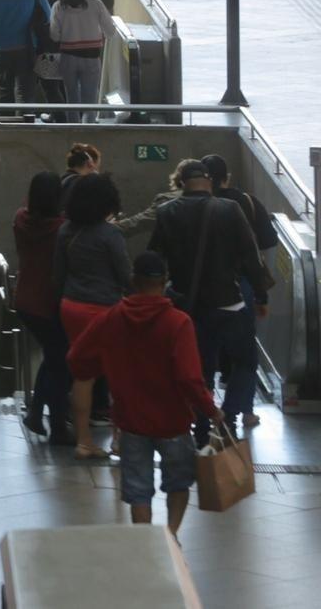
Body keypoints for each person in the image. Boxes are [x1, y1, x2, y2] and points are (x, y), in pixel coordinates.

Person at [67, 252, 222, 536]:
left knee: (138, 491)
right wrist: (211, 410)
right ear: (164, 281)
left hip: (131, 421)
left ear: (133, 281)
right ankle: (171, 536)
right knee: (178, 483)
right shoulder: (178, 322)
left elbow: (77, 357)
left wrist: (104, 366)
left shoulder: (111, 319)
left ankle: (148, 543)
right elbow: (190, 378)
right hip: (173, 422)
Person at [148, 161, 271, 442]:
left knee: (200, 367)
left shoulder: (167, 212)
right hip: (228, 302)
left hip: (186, 304)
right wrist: (261, 295)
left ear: (180, 182)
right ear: (209, 182)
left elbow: (155, 256)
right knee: (245, 361)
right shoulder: (229, 209)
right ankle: (228, 416)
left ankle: (201, 426)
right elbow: (251, 256)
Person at [53, 173, 130, 456]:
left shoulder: (65, 231)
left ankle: (83, 441)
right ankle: (118, 439)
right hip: (105, 310)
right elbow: (125, 276)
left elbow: (58, 275)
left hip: (71, 307)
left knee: (83, 375)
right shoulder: (111, 234)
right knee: (116, 374)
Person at [203, 153, 277, 429]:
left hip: (202, 289)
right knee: (245, 354)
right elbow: (266, 246)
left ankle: (205, 411)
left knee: (204, 352)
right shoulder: (247, 202)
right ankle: (239, 411)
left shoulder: (195, 206)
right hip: (241, 287)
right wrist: (262, 294)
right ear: (227, 177)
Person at [13, 171, 73, 445]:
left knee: (53, 358)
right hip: (50, 301)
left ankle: (37, 412)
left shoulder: (20, 219)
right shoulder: (63, 228)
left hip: (25, 297)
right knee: (60, 363)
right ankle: (57, 424)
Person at [49, 0, 114, 120]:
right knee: (90, 102)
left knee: (72, 100)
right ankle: (87, 132)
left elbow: (54, 36)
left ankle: (73, 133)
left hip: (68, 57)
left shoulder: (58, 6)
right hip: (92, 57)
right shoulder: (96, 4)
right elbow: (110, 31)